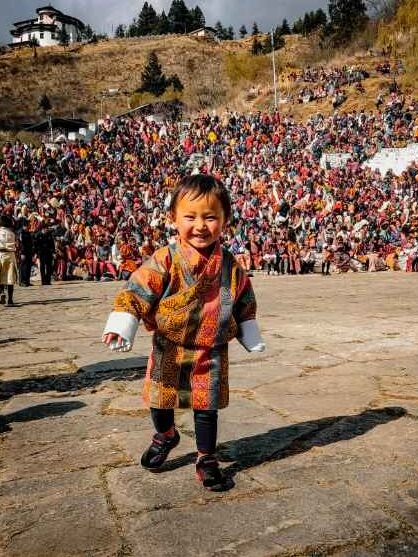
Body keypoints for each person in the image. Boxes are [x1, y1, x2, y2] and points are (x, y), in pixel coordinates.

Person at [102, 174, 265, 491]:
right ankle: (166, 435)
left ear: (225, 220)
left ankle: (206, 459)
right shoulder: (166, 258)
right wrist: (124, 322)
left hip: (210, 350)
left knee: (207, 408)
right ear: (173, 219)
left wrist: (249, 330)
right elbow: (138, 289)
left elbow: (244, 298)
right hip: (169, 347)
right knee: (160, 402)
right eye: (190, 216)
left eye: (210, 217)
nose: (201, 225)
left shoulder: (231, 266)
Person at [0, 214, 18, 306]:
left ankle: (1, 293)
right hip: (11, 254)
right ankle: (10, 300)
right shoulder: (12, 233)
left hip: (1, 254)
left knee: (0, 276)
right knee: (10, 278)